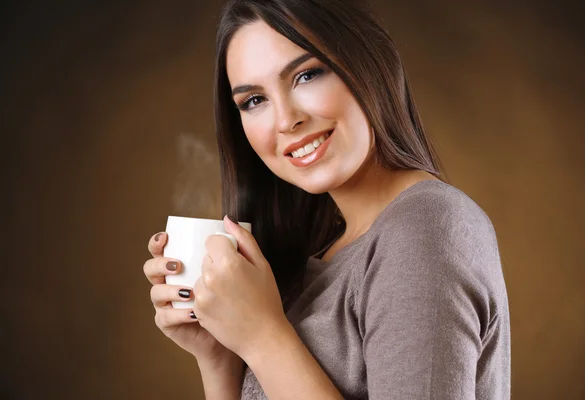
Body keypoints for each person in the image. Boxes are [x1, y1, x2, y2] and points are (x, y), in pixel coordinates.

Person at [143, 0, 511, 398]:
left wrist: (262, 337)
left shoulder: (425, 229)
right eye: (254, 100)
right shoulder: (316, 255)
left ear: (370, 63)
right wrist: (219, 357)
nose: (286, 121)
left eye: (306, 75)